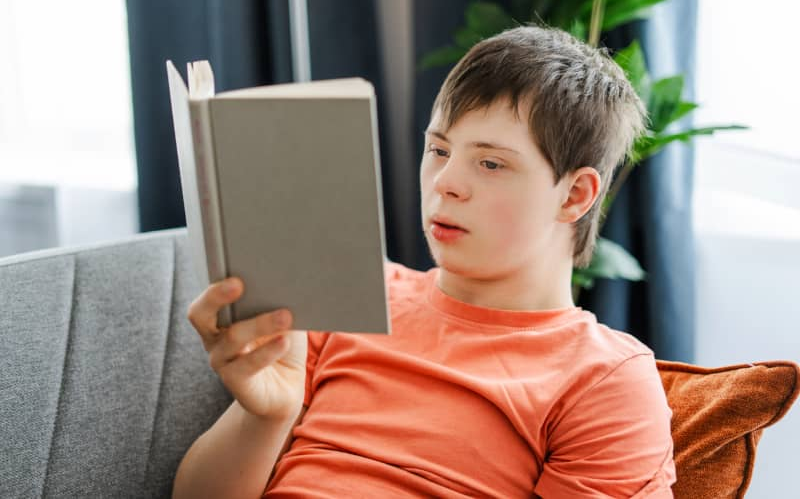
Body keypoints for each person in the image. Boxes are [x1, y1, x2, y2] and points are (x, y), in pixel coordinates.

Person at [172, 25, 676, 499]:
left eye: (491, 163)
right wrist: (266, 417)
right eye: (438, 149)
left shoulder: (605, 380)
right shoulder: (346, 292)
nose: (444, 183)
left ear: (574, 195)